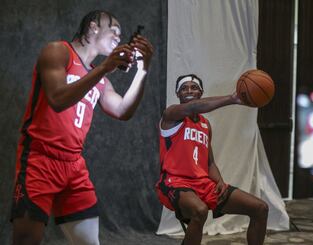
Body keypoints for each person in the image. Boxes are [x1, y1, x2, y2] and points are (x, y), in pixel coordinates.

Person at [10, 10, 153, 245]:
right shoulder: (58, 51)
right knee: (26, 240)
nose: (120, 37)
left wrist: (142, 71)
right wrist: (104, 68)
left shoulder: (101, 79)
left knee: (89, 243)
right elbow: (57, 99)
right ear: (94, 27)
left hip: (74, 165)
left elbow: (122, 111)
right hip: (40, 158)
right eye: (114, 30)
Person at [155, 74, 269, 245]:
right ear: (177, 94)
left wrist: (219, 180)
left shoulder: (205, 125)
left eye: (194, 87)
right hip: (174, 182)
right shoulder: (171, 114)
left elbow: (209, 163)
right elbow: (193, 107)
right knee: (200, 211)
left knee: (260, 208)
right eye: (184, 88)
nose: (189, 90)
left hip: (202, 183)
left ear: (201, 93)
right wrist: (232, 99)